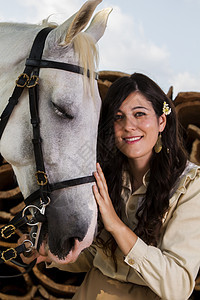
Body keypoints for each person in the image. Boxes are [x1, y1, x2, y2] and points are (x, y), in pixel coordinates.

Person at [20, 73, 200, 300]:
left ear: (161, 121)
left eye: (140, 114)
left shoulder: (191, 186)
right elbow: (95, 258)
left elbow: (178, 287)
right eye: (118, 117)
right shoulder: (105, 176)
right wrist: (47, 252)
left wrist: (116, 225)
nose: (128, 126)